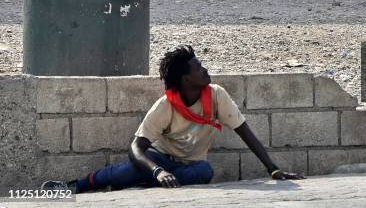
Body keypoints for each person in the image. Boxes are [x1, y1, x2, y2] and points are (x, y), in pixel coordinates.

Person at [42, 45, 304, 192]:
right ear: (185, 78)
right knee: (127, 170)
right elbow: (136, 147)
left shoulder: (216, 96)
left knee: (205, 171)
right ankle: (73, 187)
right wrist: (157, 170)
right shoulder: (167, 105)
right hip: (159, 160)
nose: (205, 70)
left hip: (189, 166)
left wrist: (274, 169)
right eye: (199, 68)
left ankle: (145, 181)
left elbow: (244, 131)